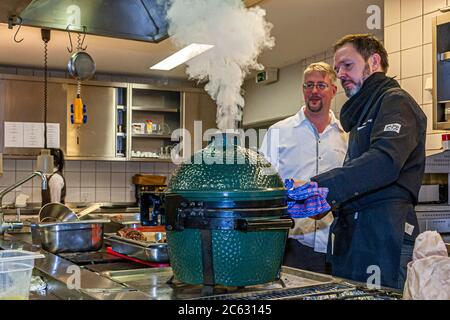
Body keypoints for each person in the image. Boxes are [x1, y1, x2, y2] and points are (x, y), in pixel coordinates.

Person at [309, 34, 427, 289]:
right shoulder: (363, 114)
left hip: (384, 237)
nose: (340, 74)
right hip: (356, 240)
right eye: (337, 68)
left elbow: (383, 162)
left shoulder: (396, 102)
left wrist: (321, 187)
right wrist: (329, 202)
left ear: (373, 62)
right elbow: (359, 177)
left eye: (347, 65)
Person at [259, 62, 348, 273]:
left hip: (334, 244)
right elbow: (262, 186)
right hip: (291, 243)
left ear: (333, 90)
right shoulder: (278, 132)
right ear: (303, 90)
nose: (314, 91)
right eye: (309, 85)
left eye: (321, 85)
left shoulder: (346, 137)